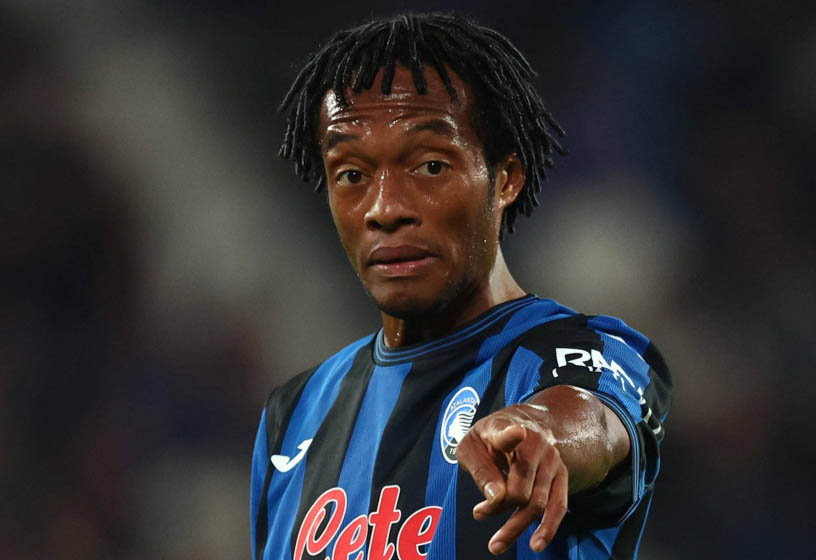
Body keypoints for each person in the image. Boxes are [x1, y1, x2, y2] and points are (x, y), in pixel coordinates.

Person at [250, 12, 671, 560]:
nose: (385, 209)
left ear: (506, 178)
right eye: (352, 175)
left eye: (429, 166)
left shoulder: (585, 351)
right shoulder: (292, 416)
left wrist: (540, 429)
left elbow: (590, 418)